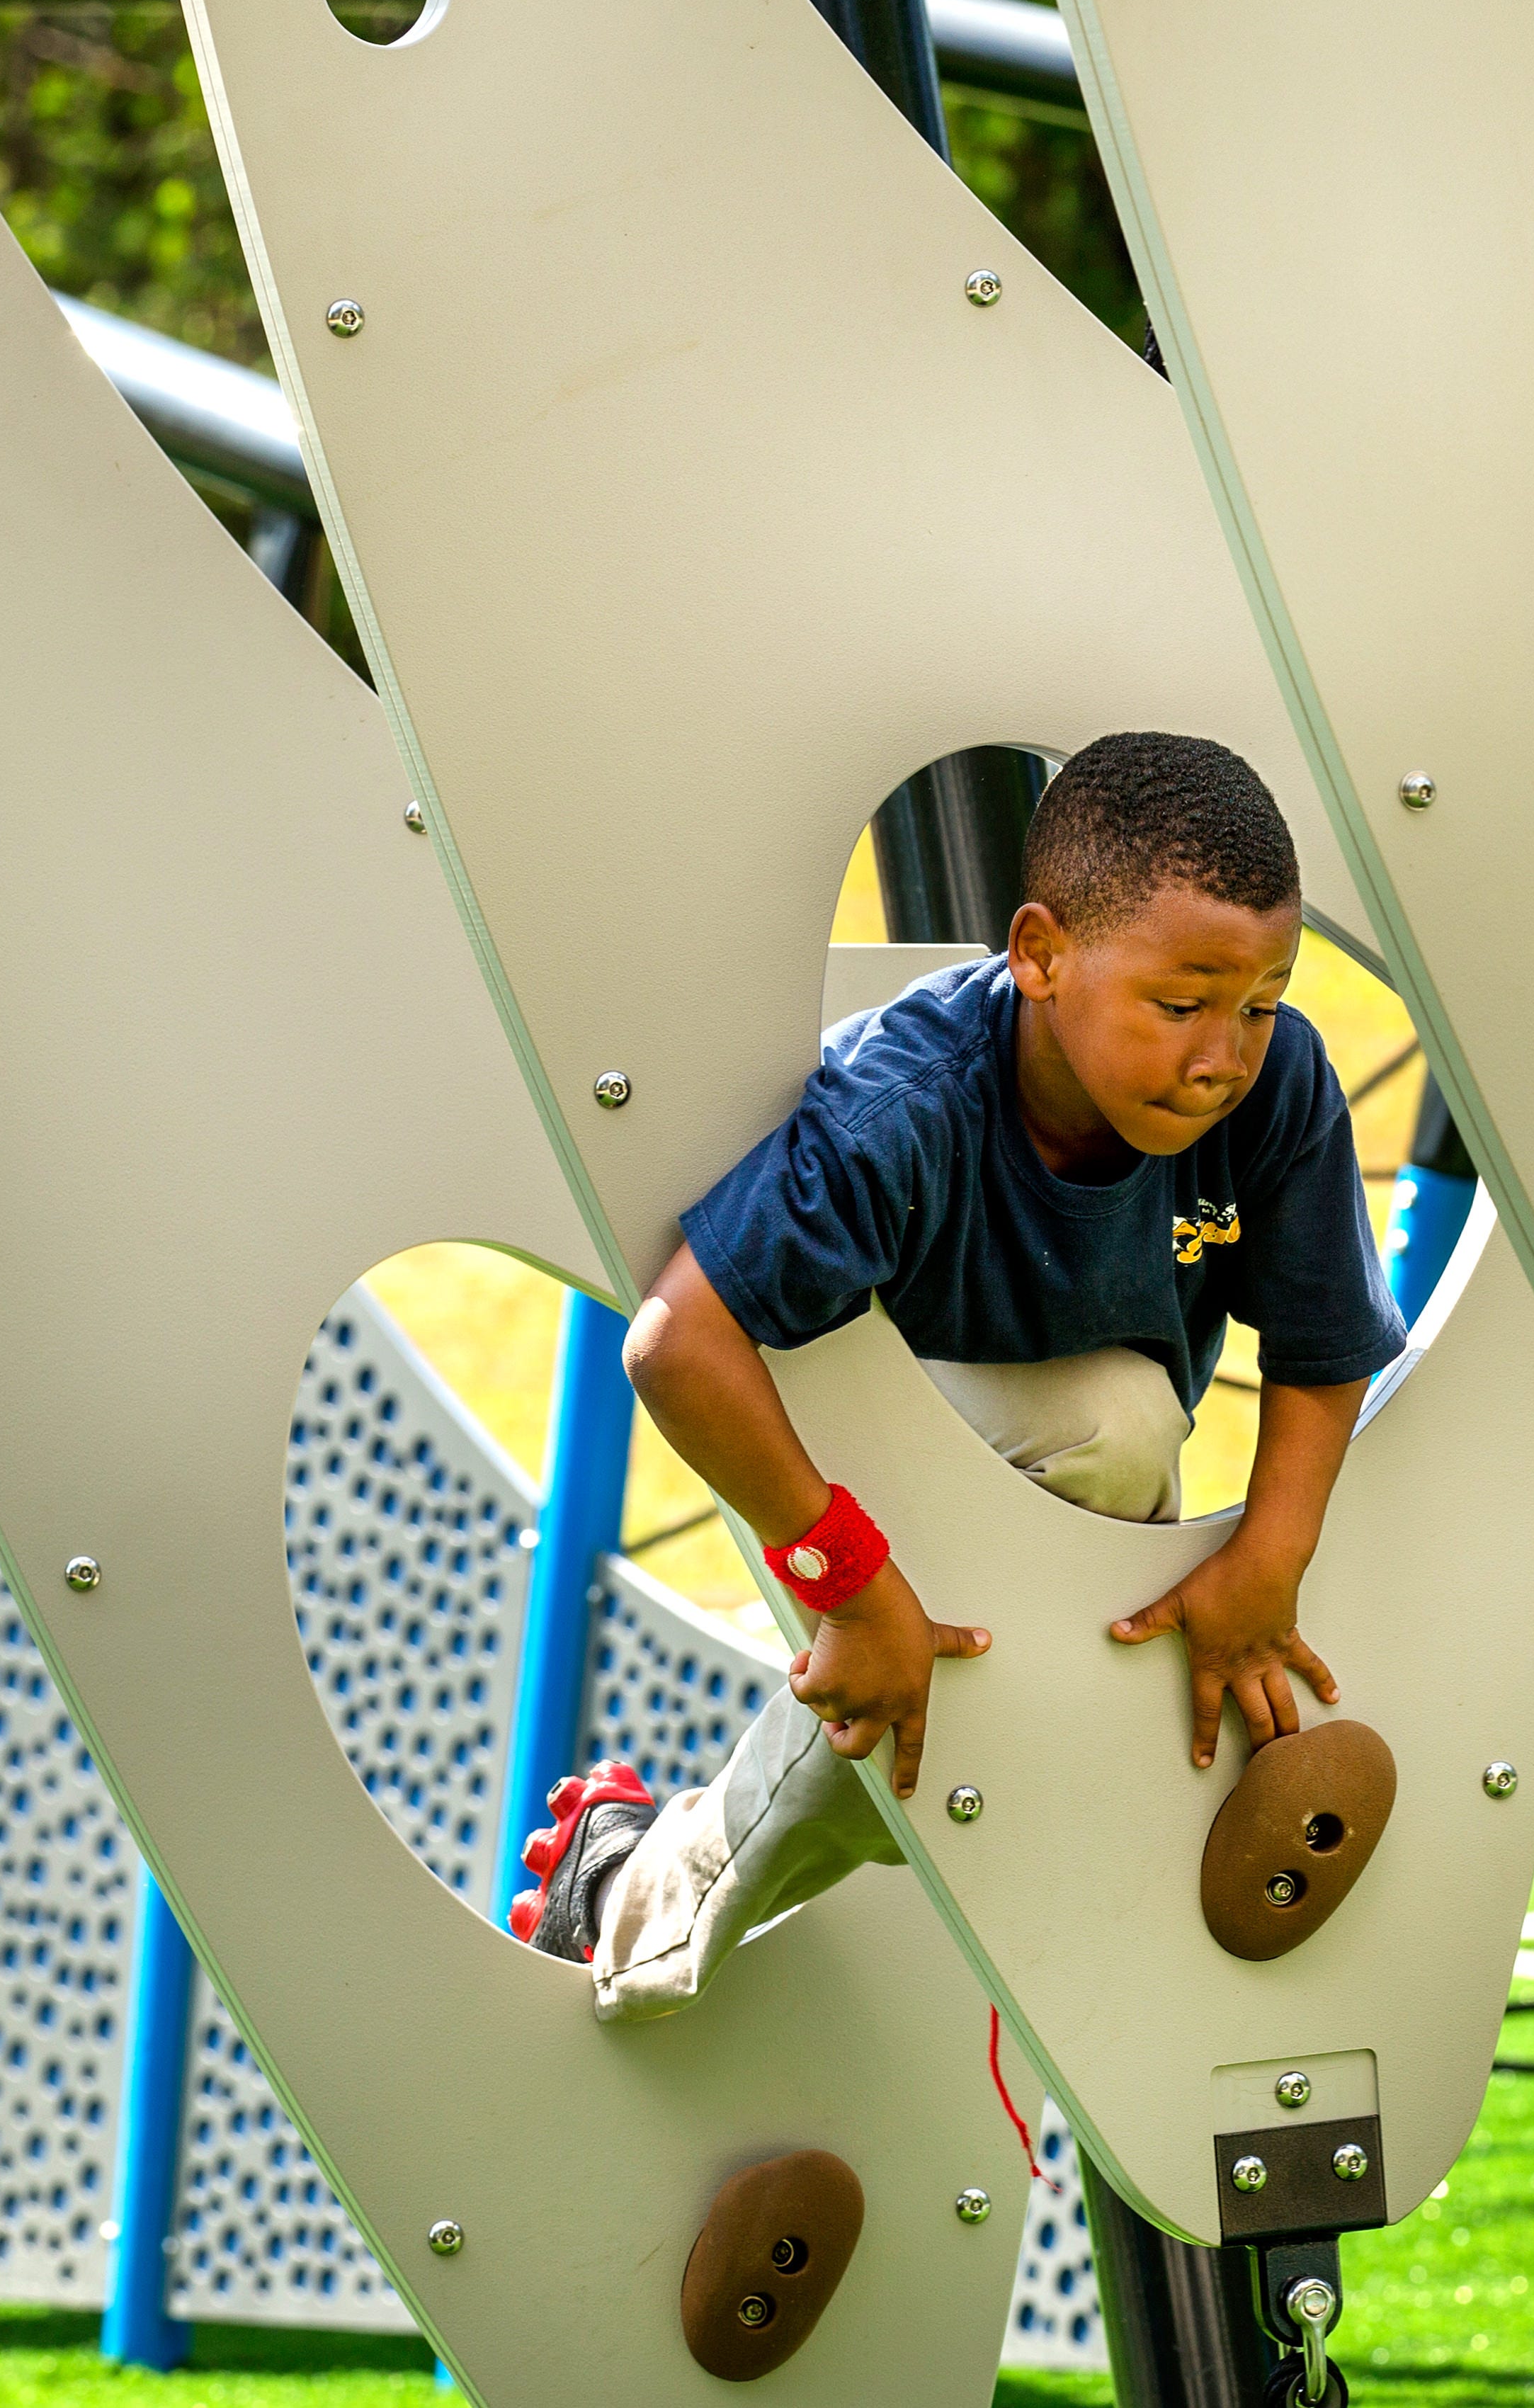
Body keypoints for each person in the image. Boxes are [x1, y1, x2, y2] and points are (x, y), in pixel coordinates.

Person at [507, 732, 1414, 2022]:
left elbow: (1326, 1350)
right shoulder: (911, 1104)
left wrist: (1271, 1559)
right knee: (1111, 1428)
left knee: (1076, 1603)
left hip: (1075, 1482)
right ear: (1039, 955)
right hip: (837, 1456)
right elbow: (677, 1344)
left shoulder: (1275, 1094)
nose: (1225, 1054)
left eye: (1261, 1003)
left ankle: (633, 1871)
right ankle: (650, 1900)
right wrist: (852, 1585)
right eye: (1182, 1004)